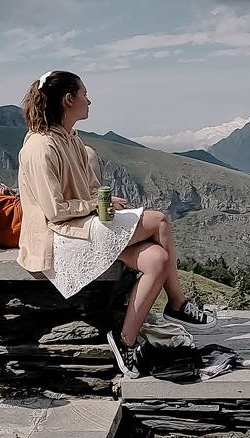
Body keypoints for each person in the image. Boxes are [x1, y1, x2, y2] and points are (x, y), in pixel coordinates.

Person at [17, 70, 217, 377]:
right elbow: (54, 211)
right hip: (59, 233)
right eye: (84, 94)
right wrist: (96, 205)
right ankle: (177, 304)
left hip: (83, 223)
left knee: (157, 259)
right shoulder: (41, 146)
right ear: (68, 100)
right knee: (159, 220)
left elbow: (85, 191)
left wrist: (102, 203)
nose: (89, 101)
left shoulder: (72, 140)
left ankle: (126, 340)